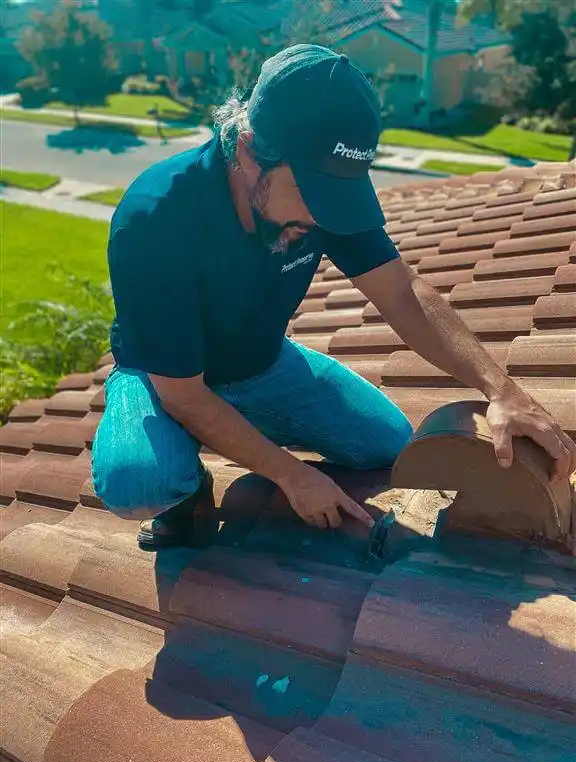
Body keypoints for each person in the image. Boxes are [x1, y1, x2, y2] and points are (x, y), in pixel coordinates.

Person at [92, 44, 576, 550]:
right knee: (139, 482)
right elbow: (184, 395)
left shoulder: (323, 197)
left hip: (260, 364)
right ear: (250, 151)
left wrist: (500, 389)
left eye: (337, 197)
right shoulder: (155, 218)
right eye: (313, 195)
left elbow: (403, 292)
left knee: (388, 444)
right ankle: (186, 489)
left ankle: (242, 426)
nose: (323, 218)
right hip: (163, 379)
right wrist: (291, 475)